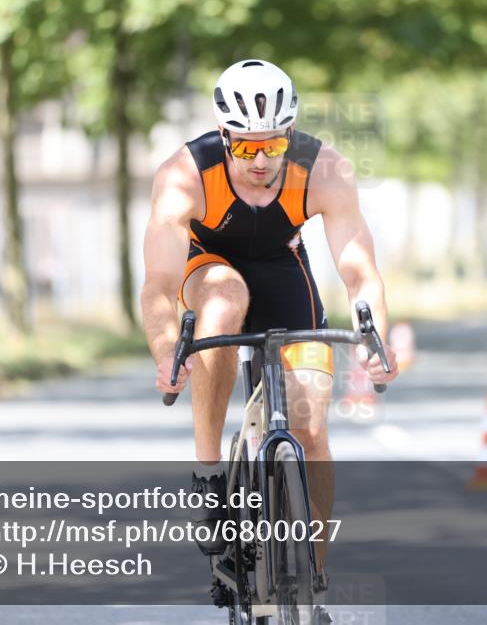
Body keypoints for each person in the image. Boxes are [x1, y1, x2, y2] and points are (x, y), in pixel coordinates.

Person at [140, 59, 399, 572]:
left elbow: (360, 272)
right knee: (223, 302)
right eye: (245, 146)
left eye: (274, 144)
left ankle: (313, 582)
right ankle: (211, 475)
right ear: (223, 134)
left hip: (283, 269)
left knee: (312, 427)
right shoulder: (182, 176)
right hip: (208, 265)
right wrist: (167, 349)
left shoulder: (325, 170)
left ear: (291, 133)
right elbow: (159, 286)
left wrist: (377, 341)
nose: (260, 160)